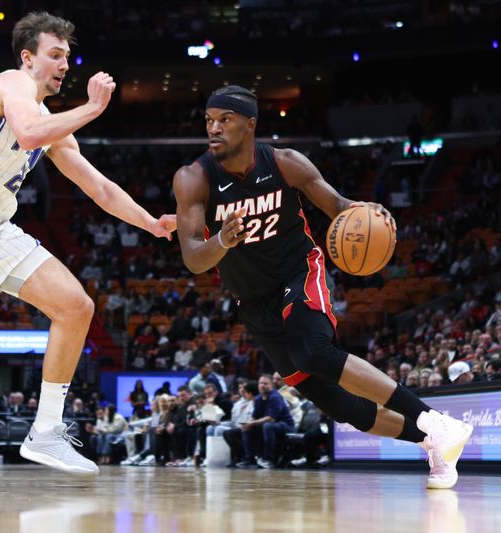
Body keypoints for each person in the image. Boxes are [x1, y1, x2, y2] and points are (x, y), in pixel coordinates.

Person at [0, 11, 175, 483]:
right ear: (28, 58)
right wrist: (93, 108)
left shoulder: (51, 121)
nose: (64, 64)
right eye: (55, 55)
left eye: (68, 57)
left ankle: (46, 430)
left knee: (75, 306)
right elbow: (27, 133)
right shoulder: (10, 83)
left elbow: (101, 189)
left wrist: (151, 223)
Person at [172, 85, 473, 489]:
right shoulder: (194, 178)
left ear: (250, 123)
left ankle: (430, 419)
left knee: (313, 349)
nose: (214, 128)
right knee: (339, 404)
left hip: (299, 270)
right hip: (253, 300)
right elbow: (192, 257)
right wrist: (222, 240)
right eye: (209, 120)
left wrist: (367, 212)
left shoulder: (286, 163)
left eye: (224, 119)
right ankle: (434, 440)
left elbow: (337, 206)